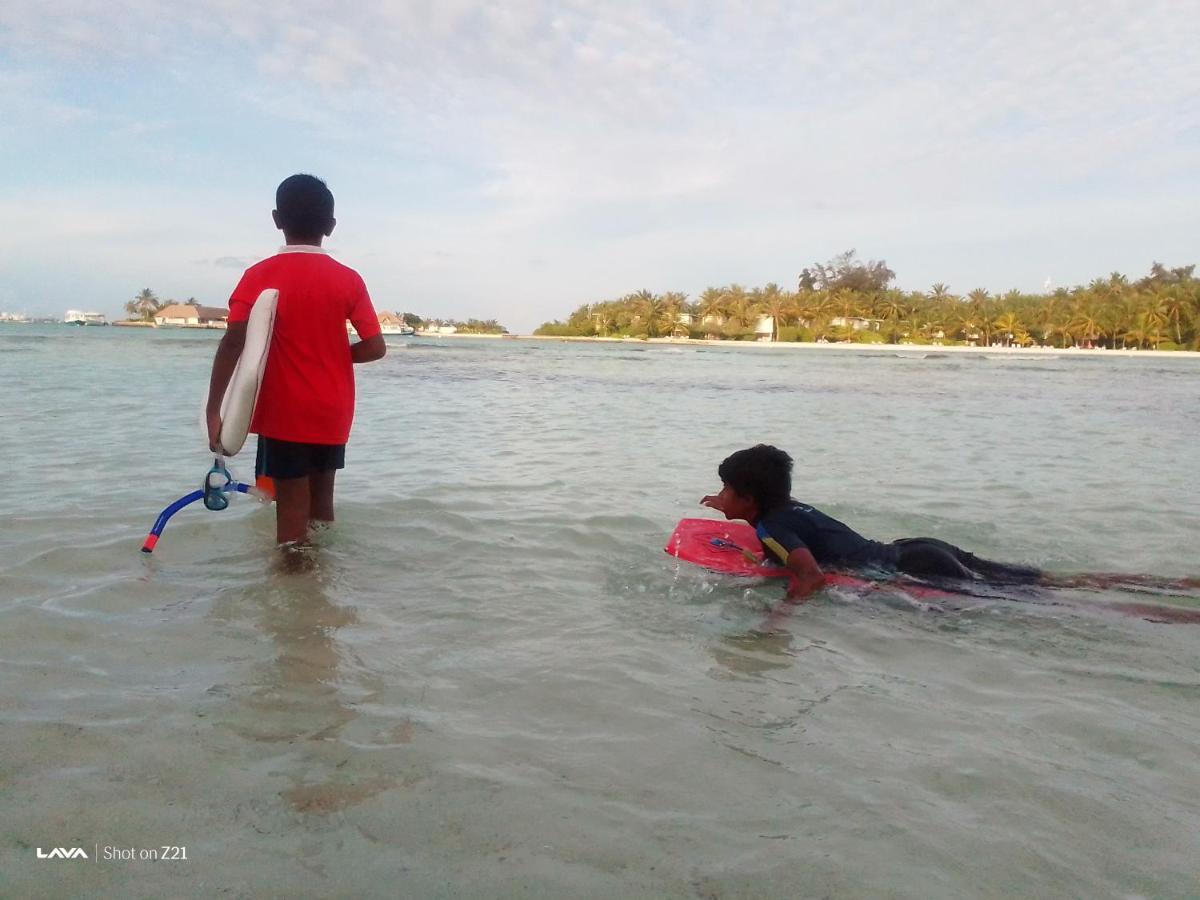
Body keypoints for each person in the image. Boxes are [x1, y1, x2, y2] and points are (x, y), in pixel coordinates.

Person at [205, 173, 386, 547]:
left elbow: (232, 344)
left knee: (290, 522)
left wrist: (214, 412)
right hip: (332, 410)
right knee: (322, 506)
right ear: (331, 227)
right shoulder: (348, 279)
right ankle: (324, 589)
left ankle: (292, 596)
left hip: (285, 412)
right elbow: (374, 347)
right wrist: (334, 357)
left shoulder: (257, 276)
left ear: (276, 219)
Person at [700, 444, 1043, 599]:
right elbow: (772, 519)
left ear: (749, 499)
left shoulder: (770, 529)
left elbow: (812, 577)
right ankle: (1096, 583)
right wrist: (727, 506)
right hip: (919, 549)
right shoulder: (787, 507)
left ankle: (1091, 609)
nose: (720, 494)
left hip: (917, 568)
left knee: (1019, 599)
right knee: (1028, 580)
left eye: (726, 489)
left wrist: (777, 618)